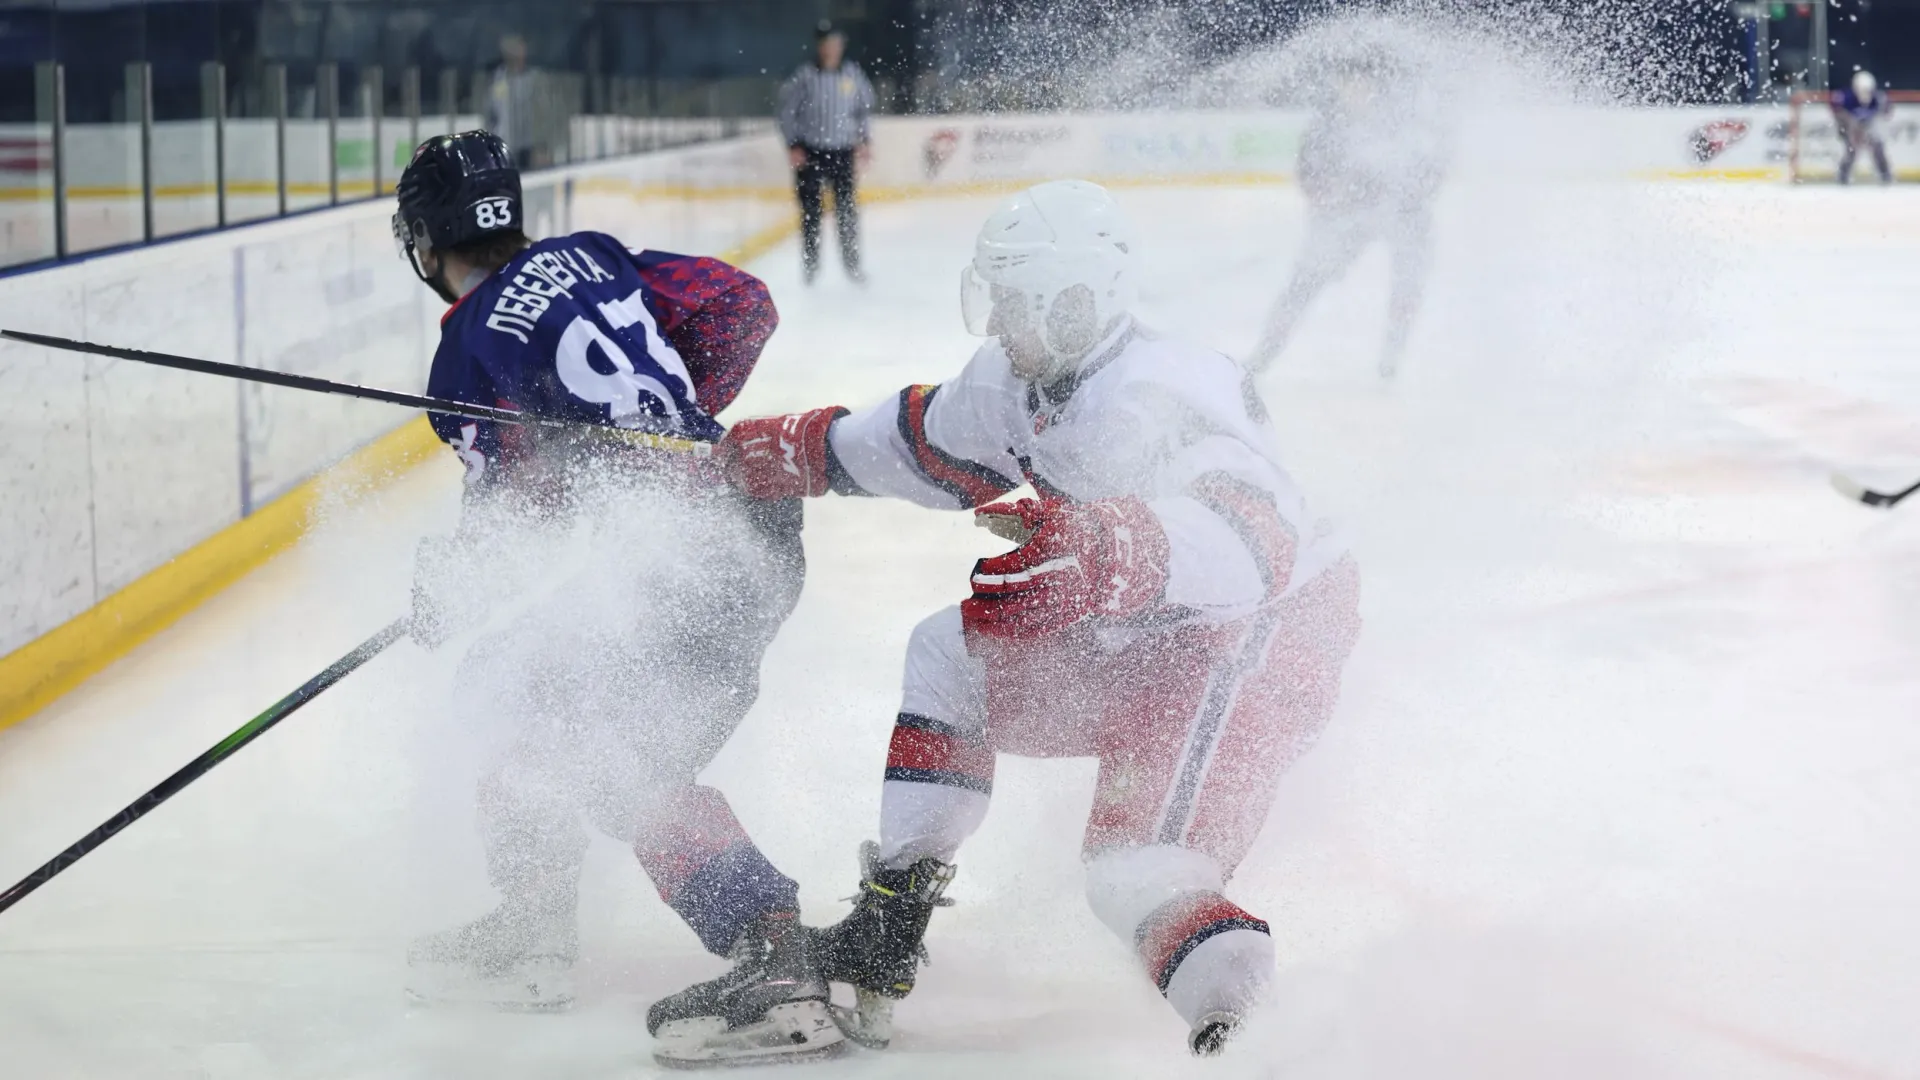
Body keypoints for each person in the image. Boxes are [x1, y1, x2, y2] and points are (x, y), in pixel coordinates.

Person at [647, 180, 1363, 1063]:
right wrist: (784, 450)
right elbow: (916, 444)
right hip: (1158, 627)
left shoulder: (1162, 390)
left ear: (1077, 300)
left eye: (1013, 301)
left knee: (1133, 868)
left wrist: (1111, 550)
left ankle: (1269, 1044)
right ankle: (889, 927)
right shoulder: (1023, 378)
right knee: (950, 650)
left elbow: (1262, 542)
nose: (993, 325)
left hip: (1265, 631)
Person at [391, 131, 843, 1065]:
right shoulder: (587, 254)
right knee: (509, 687)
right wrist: (670, 434)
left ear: (429, 241)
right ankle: (536, 931)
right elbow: (740, 306)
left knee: (612, 758)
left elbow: (506, 529)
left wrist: (450, 587)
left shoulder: (464, 356)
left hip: (685, 564)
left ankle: (778, 958)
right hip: (745, 520)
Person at [1247, 55, 1447, 378]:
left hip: (1404, 217)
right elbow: (1309, 177)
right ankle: (1264, 354)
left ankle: (1390, 361)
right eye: (1346, 84)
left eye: (1361, 83)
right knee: (1304, 283)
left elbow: (1432, 169)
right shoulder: (1325, 127)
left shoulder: (1402, 122)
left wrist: (1405, 194)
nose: (1353, 90)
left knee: (1409, 282)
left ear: (1375, 85)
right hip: (1343, 221)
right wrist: (1339, 195)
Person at [777, 20, 876, 284]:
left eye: (835, 43)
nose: (830, 49)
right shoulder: (805, 75)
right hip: (812, 153)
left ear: (841, 45)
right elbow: (787, 112)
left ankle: (852, 266)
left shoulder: (853, 74)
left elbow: (863, 110)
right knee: (811, 213)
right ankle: (810, 269)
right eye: (826, 44)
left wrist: (865, 141)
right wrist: (793, 144)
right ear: (819, 47)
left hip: (843, 152)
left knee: (847, 212)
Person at [1833, 69, 1893, 186]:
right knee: (1852, 149)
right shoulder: (1846, 98)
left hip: (1869, 125)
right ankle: (1843, 175)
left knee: (1878, 147)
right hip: (1851, 126)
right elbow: (1839, 114)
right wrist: (1847, 129)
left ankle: (1885, 174)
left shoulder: (1877, 98)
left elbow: (1885, 111)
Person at [486, 34, 538, 168]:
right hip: (504, 147)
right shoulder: (498, 79)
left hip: (529, 146)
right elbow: (492, 112)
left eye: (521, 49)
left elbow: (543, 114)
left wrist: (542, 146)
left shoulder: (533, 79)